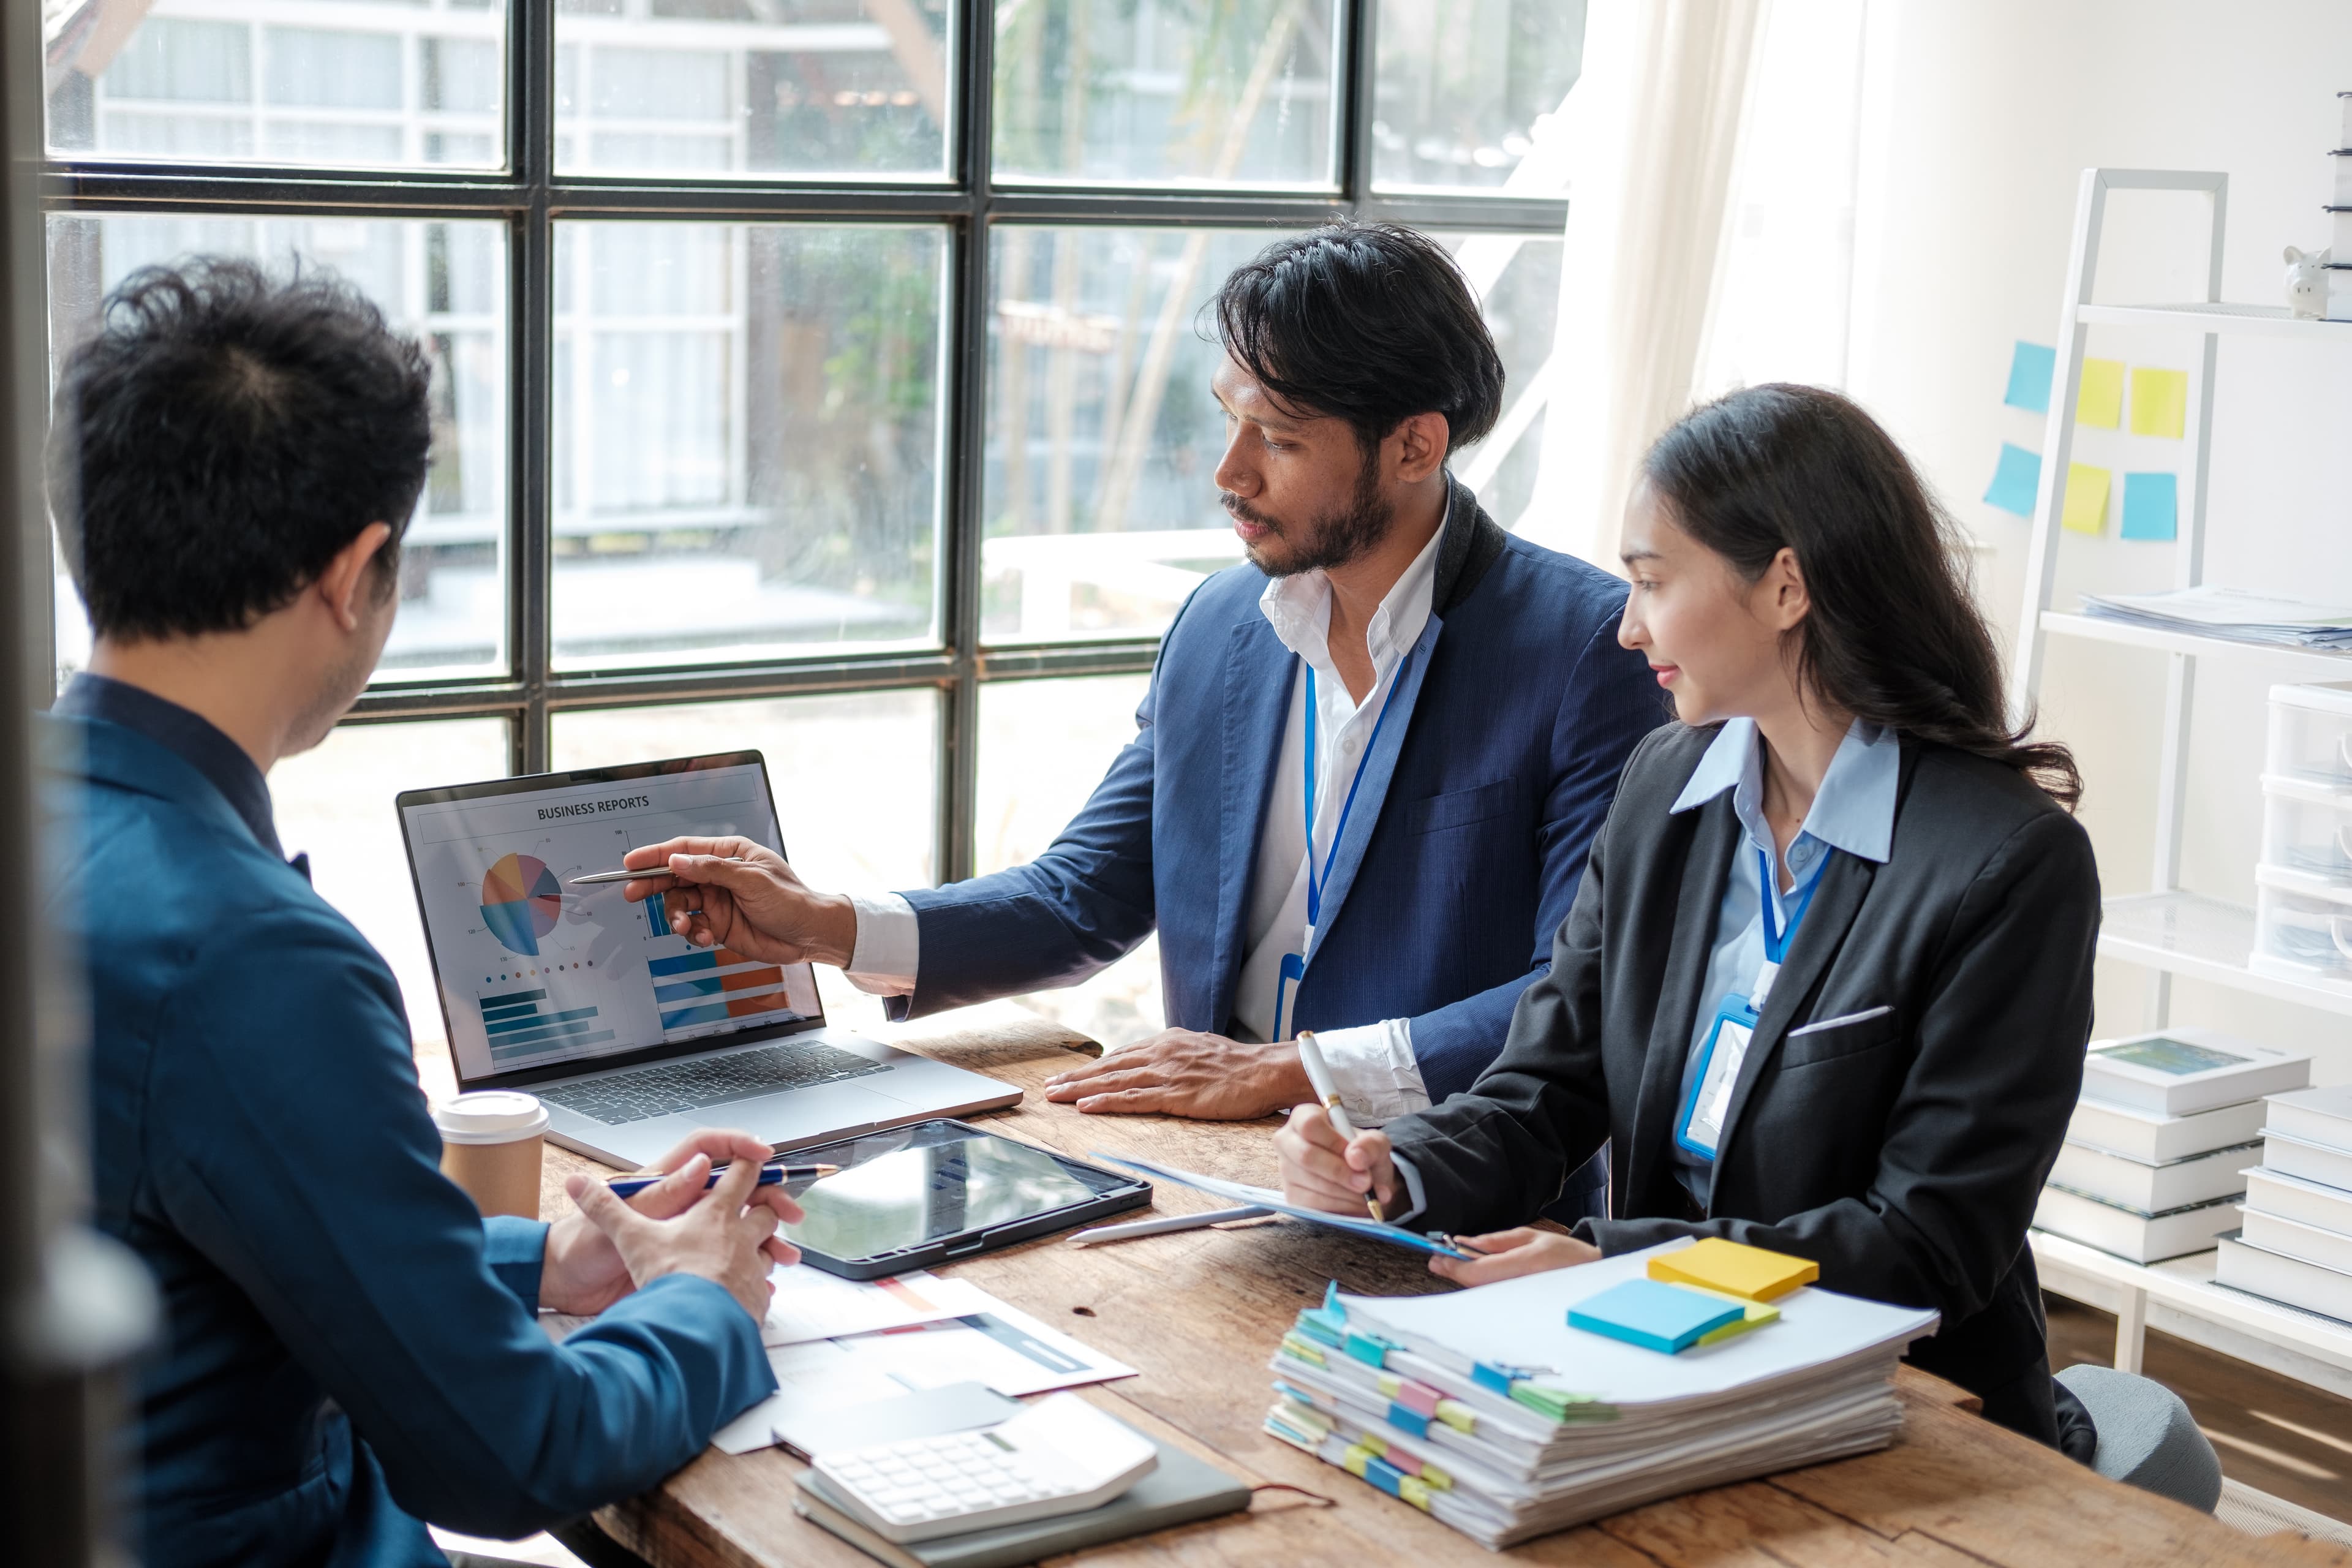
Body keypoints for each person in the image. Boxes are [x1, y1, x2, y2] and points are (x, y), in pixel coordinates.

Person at [624, 222, 1662, 1176]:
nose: (1229, 471)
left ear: (1414, 447)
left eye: (1281, 439)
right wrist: (824, 925)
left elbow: (1573, 996)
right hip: (1209, 1173)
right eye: (1228, 419)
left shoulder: (1589, 650)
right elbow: (1085, 896)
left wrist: (1294, 1071)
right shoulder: (1219, 627)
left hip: (1454, 1202)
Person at [45, 258, 799, 1568]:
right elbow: (510, 1450)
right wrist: (698, 1301)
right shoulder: (245, 951)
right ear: (357, 571)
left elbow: (191, 1235)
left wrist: (537, 1259)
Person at [1275, 383, 2102, 1460]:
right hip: (1659, 1370)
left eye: (1652, 583)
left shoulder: (2006, 863)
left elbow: (1927, 1244)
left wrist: (1623, 1261)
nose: (1627, 627)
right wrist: (1397, 1164)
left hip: (1898, 1417)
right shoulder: (1667, 782)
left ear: (1786, 587)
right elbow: (1549, 1087)